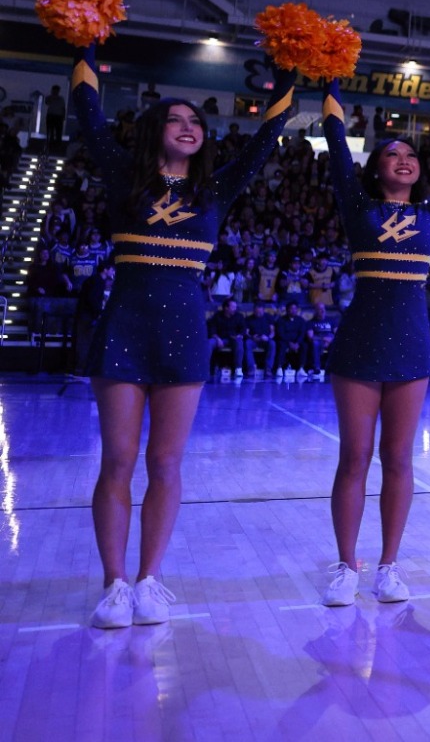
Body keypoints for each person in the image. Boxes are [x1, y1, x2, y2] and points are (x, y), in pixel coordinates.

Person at [71, 44, 296, 629]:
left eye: (197, 121)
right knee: (118, 460)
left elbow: (265, 139)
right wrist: (87, 43)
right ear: (153, 130)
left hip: (184, 335)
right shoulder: (124, 175)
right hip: (123, 328)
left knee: (167, 462)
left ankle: (149, 578)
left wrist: (287, 75)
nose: (190, 126)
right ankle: (113, 583)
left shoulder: (215, 190)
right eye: (176, 118)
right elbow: (88, 114)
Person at [317, 81, 430, 606]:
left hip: (411, 347)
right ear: (374, 169)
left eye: (411, 154)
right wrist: (328, 85)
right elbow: (334, 144)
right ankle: (347, 565)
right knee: (354, 456)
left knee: (398, 458)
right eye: (391, 153)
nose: (403, 159)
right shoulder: (358, 208)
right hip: (358, 346)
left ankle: (389, 565)